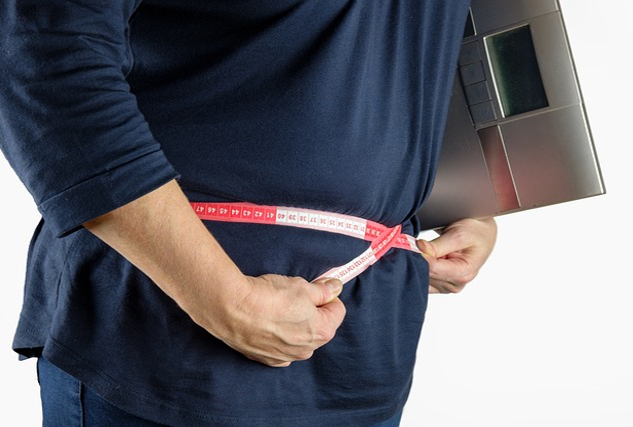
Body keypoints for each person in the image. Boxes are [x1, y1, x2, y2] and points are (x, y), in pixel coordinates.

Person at [0, 1, 497, 426]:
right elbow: (41, 56)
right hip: (161, 342)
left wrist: (471, 193)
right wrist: (227, 301)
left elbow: (417, 45)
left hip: (370, 349)